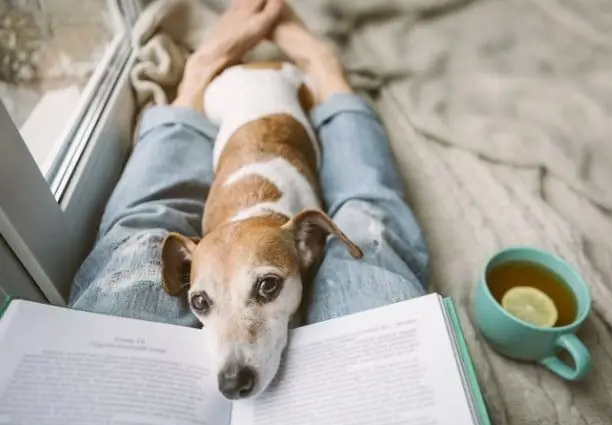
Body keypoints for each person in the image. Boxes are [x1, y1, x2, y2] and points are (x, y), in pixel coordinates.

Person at [70, 0, 428, 332]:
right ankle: (325, 75)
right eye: (201, 302)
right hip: (245, 106)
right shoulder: (210, 243)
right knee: (368, 215)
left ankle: (210, 80)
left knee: (141, 231)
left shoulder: (299, 234)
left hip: (281, 91)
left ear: (310, 245)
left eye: (267, 285)